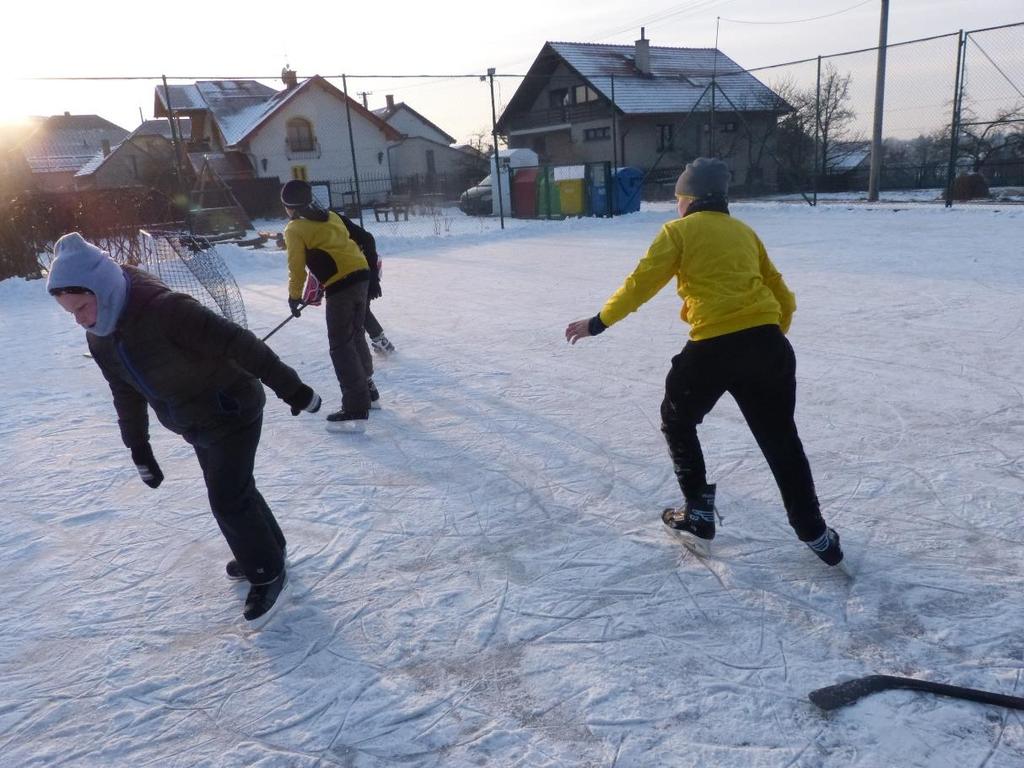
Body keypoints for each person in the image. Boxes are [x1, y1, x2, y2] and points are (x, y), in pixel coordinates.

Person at [564, 158, 843, 567]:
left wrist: (599, 322)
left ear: (688, 199)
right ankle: (816, 533)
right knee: (781, 440)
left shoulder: (678, 231)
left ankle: (697, 515)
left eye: (678, 199)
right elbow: (783, 294)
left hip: (712, 347)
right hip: (768, 345)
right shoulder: (745, 233)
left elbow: (641, 283)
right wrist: (768, 335)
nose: (676, 207)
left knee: (676, 419)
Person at [47, 232, 323, 624]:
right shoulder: (101, 337)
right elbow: (123, 390)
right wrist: (138, 446)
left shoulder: (165, 310)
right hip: (194, 419)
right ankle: (266, 551)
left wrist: (292, 388)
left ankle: (266, 571)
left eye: (81, 307)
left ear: (102, 290)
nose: (78, 320)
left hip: (233, 408)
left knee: (228, 496)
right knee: (235, 488)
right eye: (69, 312)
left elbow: (239, 343)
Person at [280, 180, 379, 432]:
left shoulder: (294, 228)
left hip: (342, 287)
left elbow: (296, 266)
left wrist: (294, 296)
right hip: (361, 277)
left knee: (340, 346)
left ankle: (356, 405)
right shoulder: (332, 216)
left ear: (290, 207)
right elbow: (351, 245)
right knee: (355, 336)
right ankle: (369, 389)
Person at [336, 213, 396, 355]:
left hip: (365, 269)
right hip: (355, 271)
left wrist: (374, 278)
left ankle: (381, 342)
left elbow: (367, 239)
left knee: (360, 310)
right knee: (359, 309)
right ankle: (378, 341)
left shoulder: (332, 219)